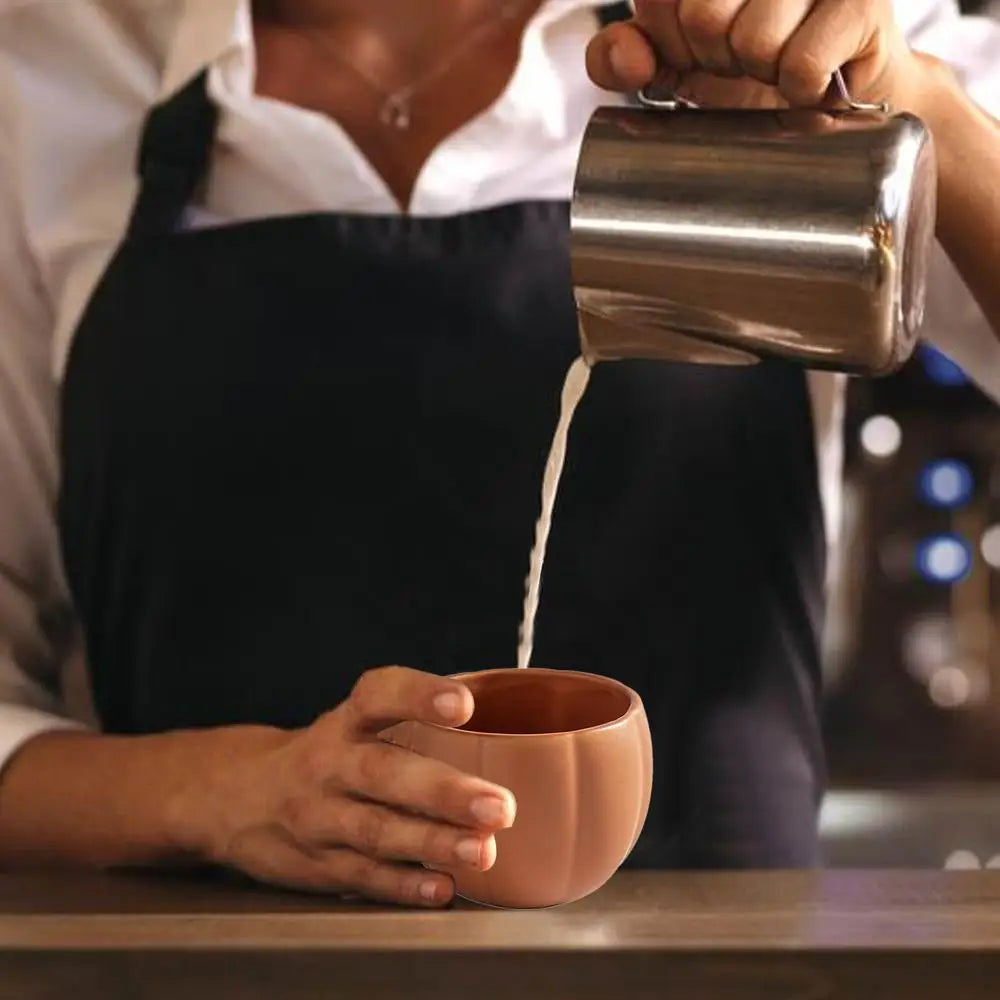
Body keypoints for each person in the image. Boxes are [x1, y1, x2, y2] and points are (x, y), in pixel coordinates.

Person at [0, 0, 996, 906]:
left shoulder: (802, 21)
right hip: (197, 971)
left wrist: (919, 108)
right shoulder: (48, 69)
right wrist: (215, 792)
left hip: (720, 967)